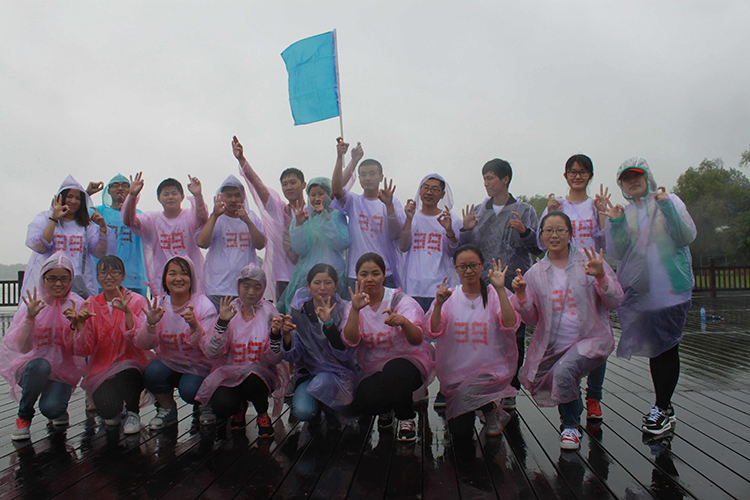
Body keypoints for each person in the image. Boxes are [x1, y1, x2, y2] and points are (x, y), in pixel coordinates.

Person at [512, 212, 623, 449]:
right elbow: (531, 318)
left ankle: (571, 427)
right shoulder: (535, 273)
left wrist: (601, 276)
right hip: (555, 343)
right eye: (548, 231)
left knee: (563, 372)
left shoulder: (588, 262)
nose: (554, 235)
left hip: (591, 338)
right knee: (562, 376)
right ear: (541, 236)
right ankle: (571, 415)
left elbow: (615, 301)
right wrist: (521, 295)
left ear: (570, 234)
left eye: (560, 230)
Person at [602, 157, 696, 435]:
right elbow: (617, 252)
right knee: (658, 348)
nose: (632, 182)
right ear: (621, 185)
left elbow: (686, 235)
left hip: (671, 290)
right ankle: (664, 405)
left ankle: (662, 408)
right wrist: (615, 222)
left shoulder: (670, 201)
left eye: (637, 176)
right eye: (626, 179)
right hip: (642, 293)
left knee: (667, 347)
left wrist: (666, 206)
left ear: (648, 178)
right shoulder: (626, 212)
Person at [234, 136, 361, 303]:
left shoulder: (317, 210)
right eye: (284, 184)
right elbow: (260, 187)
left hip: (319, 277)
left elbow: (335, 187)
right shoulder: (279, 210)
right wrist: (243, 161)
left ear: (303, 185)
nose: (288, 187)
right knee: (289, 315)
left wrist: (352, 161)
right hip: (285, 275)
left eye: (293, 182)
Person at [459, 158, 541, 410]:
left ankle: (511, 388)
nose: (486, 183)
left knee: (515, 335)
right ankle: (485, 384)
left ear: (505, 179)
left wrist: (524, 231)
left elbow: (538, 248)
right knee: (484, 334)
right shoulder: (478, 211)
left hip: (514, 282)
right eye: (484, 178)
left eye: (490, 177)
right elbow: (466, 250)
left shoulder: (525, 210)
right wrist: (466, 230)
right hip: (483, 284)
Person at [538, 154, 609, 421]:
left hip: (590, 275)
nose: (577, 176)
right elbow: (541, 240)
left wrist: (603, 214)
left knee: (597, 335)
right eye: (572, 172)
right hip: (562, 278)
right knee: (565, 336)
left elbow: (606, 241)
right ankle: (571, 396)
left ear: (590, 175)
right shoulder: (558, 205)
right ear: (565, 175)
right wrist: (549, 210)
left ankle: (594, 397)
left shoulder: (594, 205)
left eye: (583, 172)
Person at [424, 245, 519, 439]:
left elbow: (511, 324)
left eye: (473, 265)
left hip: (489, 371)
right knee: (460, 432)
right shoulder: (449, 296)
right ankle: (487, 407)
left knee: (473, 394)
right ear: (456, 269)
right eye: (463, 266)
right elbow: (433, 331)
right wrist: (438, 305)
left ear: (482, 266)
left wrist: (501, 289)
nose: (468, 271)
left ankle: (490, 408)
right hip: (457, 374)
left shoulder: (493, 294)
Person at [343, 253, 435, 442]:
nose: (369, 279)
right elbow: (350, 341)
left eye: (375, 273)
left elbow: (417, 339)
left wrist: (403, 322)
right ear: (357, 277)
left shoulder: (399, 300)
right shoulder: (354, 304)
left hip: (408, 364)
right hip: (374, 368)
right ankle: (387, 408)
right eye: (363, 274)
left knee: (394, 370)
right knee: (363, 400)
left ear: (384, 275)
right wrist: (355, 310)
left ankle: (406, 417)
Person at [0, 252, 87, 441]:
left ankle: (58, 407)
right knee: (40, 365)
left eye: (64, 278)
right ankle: (24, 416)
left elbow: (81, 350)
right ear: (43, 278)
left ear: (71, 279)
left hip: (62, 370)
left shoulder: (77, 304)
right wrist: (30, 318)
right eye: (52, 278)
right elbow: (22, 347)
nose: (58, 284)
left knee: (52, 409)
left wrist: (76, 325)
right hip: (31, 368)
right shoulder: (32, 303)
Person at [196, 264, 285, 437]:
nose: (251, 292)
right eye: (246, 286)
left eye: (257, 287)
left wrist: (275, 335)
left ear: (264, 288)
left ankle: (262, 414)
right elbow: (212, 351)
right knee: (221, 405)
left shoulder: (270, 314)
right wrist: (222, 323)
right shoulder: (229, 310)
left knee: (253, 378)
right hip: (229, 374)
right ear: (238, 287)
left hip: (259, 376)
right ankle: (238, 408)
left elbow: (275, 359)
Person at [134, 256, 217, 430]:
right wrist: (150, 324)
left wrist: (194, 325)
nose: (178, 278)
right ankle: (167, 408)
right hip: (169, 361)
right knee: (152, 372)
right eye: (172, 273)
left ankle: (205, 404)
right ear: (165, 279)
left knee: (190, 390)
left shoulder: (204, 305)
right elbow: (144, 344)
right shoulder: (157, 304)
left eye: (184, 273)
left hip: (199, 365)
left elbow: (210, 348)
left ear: (192, 279)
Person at [73, 256, 152, 434]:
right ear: (97, 277)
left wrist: (128, 313)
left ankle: (133, 412)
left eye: (114, 272)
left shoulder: (137, 301)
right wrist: (80, 325)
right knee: (108, 414)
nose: (108, 277)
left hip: (131, 364)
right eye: (103, 273)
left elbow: (141, 340)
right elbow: (84, 349)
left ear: (123, 275)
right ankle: (117, 407)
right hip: (102, 368)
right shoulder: (90, 304)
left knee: (128, 372)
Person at [283, 264, 358, 423]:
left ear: (336, 286)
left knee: (323, 382)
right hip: (309, 373)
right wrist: (286, 335)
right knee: (303, 411)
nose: (322, 288)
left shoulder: (345, 309)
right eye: (317, 282)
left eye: (328, 282)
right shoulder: (299, 311)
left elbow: (346, 351)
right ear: (309, 286)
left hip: (340, 374)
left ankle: (330, 410)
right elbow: (293, 354)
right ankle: (316, 410)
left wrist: (329, 324)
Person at [332, 139, 406, 290]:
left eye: (372, 174)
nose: (367, 178)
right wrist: (344, 158)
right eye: (363, 174)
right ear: (358, 178)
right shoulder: (353, 201)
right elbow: (336, 189)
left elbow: (395, 234)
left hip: (385, 272)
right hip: (357, 273)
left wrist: (389, 206)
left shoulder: (393, 202)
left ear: (381, 177)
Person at [121, 173, 208, 297]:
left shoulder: (190, 216)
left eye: (174, 193)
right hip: (161, 282)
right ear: (159, 198)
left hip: (189, 280)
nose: (170, 197)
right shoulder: (152, 219)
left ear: (182, 197)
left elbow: (202, 219)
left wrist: (198, 196)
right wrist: (132, 195)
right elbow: (129, 221)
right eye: (166, 194)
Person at [22, 175, 108, 299]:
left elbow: (99, 253)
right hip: (52, 280)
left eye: (78, 198)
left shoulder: (86, 225)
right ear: (61, 197)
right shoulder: (45, 218)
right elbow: (40, 246)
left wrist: (103, 229)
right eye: (69, 196)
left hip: (79, 281)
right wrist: (53, 219)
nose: (73, 201)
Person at [280, 174, 350, 313]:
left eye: (320, 194)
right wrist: (299, 225)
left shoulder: (337, 216)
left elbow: (342, 242)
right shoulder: (303, 217)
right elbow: (300, 249)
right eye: (312, 195)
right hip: (308, 276)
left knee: (334, 311)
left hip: (334, 274)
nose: (316, 198)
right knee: (304, 312)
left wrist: (324, 218)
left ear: (328, 195)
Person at [197, 174, 266, 311]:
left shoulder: (251, 217)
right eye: (228, 196)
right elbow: (202, 242)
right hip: (218, 288)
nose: (233, 199)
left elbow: (260, 244)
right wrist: (215, 215)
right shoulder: (216, 219)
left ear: (243, 197)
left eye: (237, 195)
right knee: (218, 323)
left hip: (245, 289)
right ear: (221, 197)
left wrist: (247, 221)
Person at [399, 173, 462, 312]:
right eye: (425, 188)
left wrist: (449, 230)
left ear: (442, 194)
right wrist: (408, 219)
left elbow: (454, 253)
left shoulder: (451, 219)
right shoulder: (410, 216)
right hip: (413, 286)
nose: (429, 192)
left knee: (438, 324)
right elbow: (403, 247)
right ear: (420, 190)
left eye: (435, 189)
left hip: (440, 286)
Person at [93, 174, 147, 296]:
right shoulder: (98, 212)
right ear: (108, 190)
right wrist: (87, 193)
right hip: (103, 279)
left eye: (125, 186)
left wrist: (128, 209)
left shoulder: (139, 215)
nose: (120, 188)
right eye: (115, 185)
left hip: (133, 278)